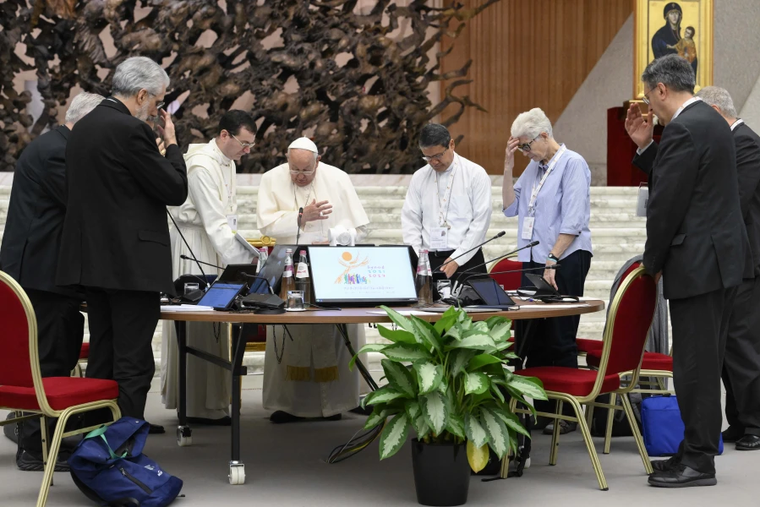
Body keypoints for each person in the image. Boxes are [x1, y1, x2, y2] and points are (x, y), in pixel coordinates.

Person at [625, 54, 747, 487]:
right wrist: (646, 148)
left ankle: (698, 461)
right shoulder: (711, 120)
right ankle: (692, 450)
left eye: (648, 96)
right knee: (704, 362)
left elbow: (667, 206)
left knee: (693, 367)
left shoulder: (682, 127)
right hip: (720, 261)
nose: (648, 106)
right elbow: (689, 181)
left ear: (661, 89)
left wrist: (651, 264)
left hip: (696, 264)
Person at [56, 56, 188, 424]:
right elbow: (175, 189)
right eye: (159, 102)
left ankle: (95, 437)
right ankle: (122, 447)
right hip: (131, 265)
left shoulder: (82, 127)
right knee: (133, 361)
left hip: (93, 262)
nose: (158, 110)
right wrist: (173, 144)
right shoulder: (131, 130)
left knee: (103, 353)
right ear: (142, 94)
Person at [0, 92, 103, 471]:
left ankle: (46, 437)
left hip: (41, 271)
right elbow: (86, 207)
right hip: (40, 275)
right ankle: (34, 448)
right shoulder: (59, 151)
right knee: (47, 359)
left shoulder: (55, 144)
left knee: (52, 355)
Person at [256, 137, 370, 423]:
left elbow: (361, 229)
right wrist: (300, 217)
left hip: (333, 266)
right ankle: (290, 404)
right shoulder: (271, 179)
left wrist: (337, 236)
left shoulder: (338, 178)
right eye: (294, 170)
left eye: (306, 171)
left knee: (336, 333)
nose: (299, 176)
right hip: (289, 266)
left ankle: (337, 402)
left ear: (318, 162)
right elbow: (266, 226)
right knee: (291, 334)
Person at [161, 110, 258, 424]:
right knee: (199, 323)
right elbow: (214, 222)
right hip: (196, 245)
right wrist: (245, 263)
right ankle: (195, 405)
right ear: (225, 135)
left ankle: (211, 402)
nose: (247, 151)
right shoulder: (202, 165)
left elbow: (226, 218)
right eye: (243, 143)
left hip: (215, 244)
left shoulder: (226, 161)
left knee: (214, 327)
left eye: (251, 145)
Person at [502, 107, 593, 435]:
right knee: (534, 335)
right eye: (520, 148)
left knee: (559, 333)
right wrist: (510, 166)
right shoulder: (533, 168)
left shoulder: (573, 164)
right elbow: (510, 209)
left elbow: (573, 220)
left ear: (544, 135)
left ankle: (566, 413)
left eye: (527, 146)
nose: (526, 152)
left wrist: (552, 259)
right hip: (535, 258)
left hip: (564, 258)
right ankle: (541, 409)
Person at [696, 86, 760, 451]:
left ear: (717, 113)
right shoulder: (725, 144)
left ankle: (755, 422)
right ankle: (738, 421)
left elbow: (734, 200)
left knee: (743, 345)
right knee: (725, 348)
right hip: (725, 261)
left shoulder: (746, 143)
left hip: (746, 261)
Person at [401, 123, 492, 290]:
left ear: (451, 144)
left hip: (466, 259)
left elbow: (480, 223)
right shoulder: (419, 177)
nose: (434, 162)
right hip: (430, 262)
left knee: (472, 314)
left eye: (438, 155)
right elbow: (410, 220)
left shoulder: (475, 174)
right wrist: (418, 260)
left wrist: (457, 259)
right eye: (427, 158)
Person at [651, 2, 698, 76]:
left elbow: (692, 57)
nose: (674, 16)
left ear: (680, 16)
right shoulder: (659, 36)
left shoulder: (684, 33)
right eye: (671, 13)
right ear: (667, 16)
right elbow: (660, 61)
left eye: (676, 13)